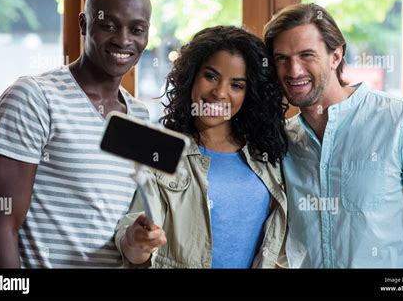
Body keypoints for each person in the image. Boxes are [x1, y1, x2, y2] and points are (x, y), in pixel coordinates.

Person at [0, 0, 151, 268]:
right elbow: (0, 225)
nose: (124, 40)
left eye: (136, 29)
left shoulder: (139, 116)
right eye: (108, 25)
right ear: (84, 25)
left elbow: (121, 224)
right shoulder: (34, 97)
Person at [264, 3, 403, 268]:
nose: (294, 71)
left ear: (336, 56)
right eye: (282, 58)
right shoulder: (282, 141)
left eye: (307, 55)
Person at [115, 25, 288, 268]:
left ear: (250, 94)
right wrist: (136, 241)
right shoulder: (161, 148)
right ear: (192, 75)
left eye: (236, 85)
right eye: (211, 76)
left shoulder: (266, 156)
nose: (219, 93)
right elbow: (131, 244)